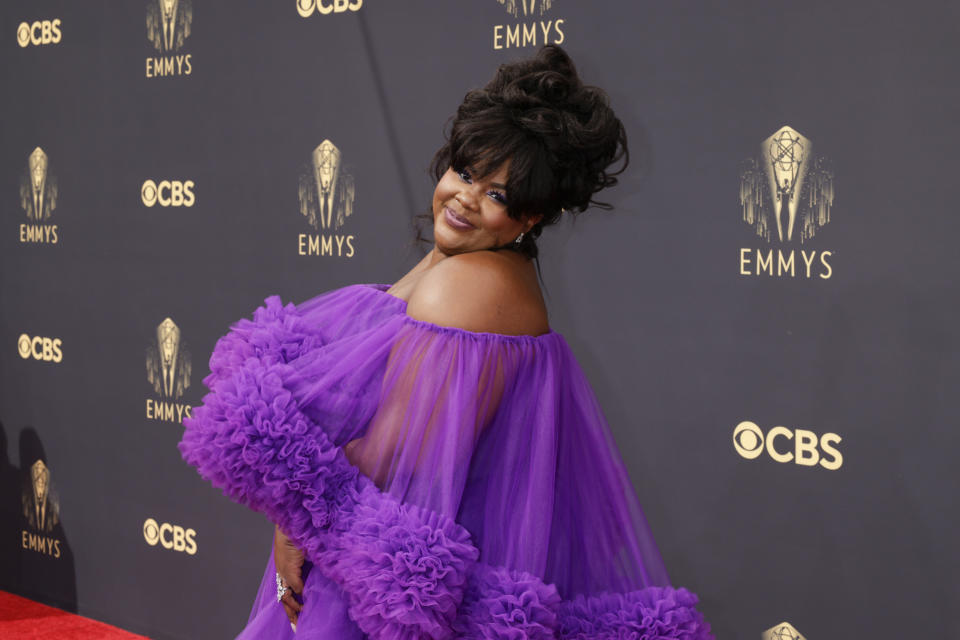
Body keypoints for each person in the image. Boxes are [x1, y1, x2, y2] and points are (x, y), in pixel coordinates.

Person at [179, 45, 712, 639]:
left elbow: (389, 460)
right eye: (466, 172)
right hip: (364, 549)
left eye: (500, 195)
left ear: (530, 219)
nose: (466, 198)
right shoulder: (465, 265)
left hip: (367, 576)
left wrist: (291, 524)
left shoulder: (469, 287)